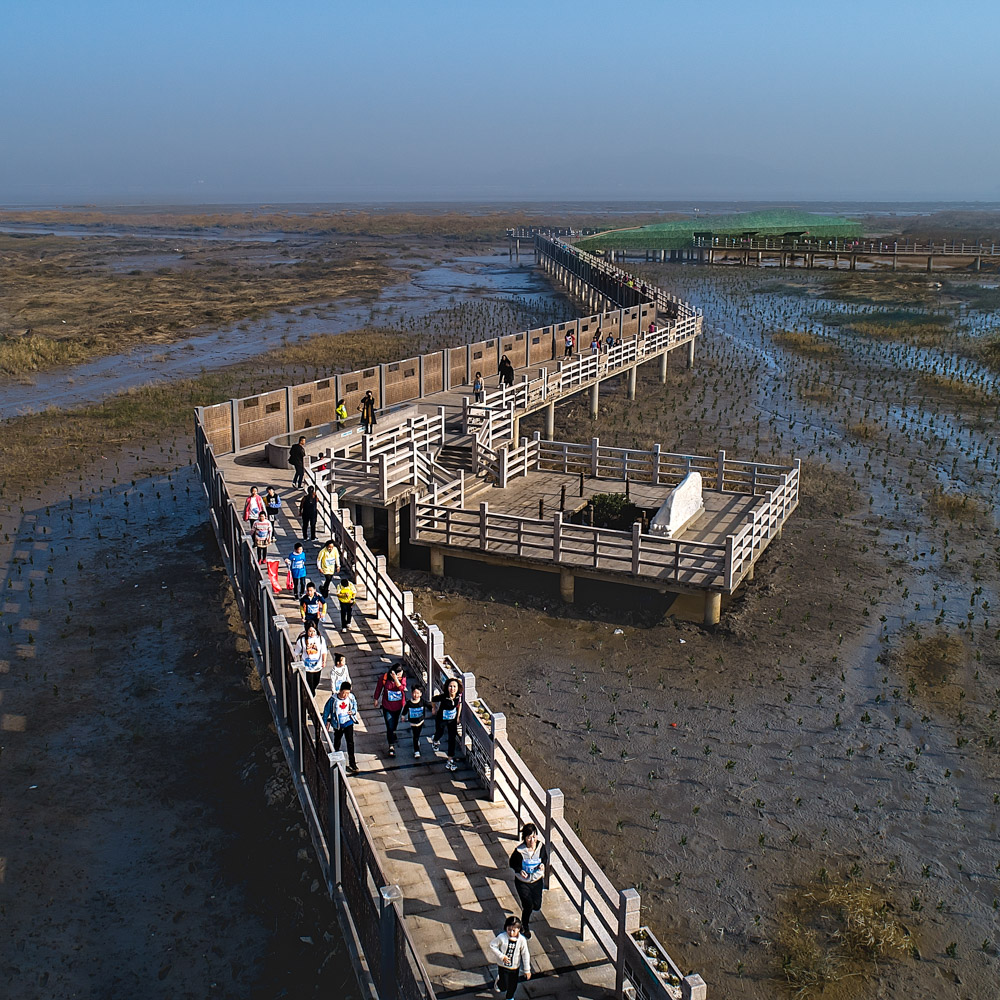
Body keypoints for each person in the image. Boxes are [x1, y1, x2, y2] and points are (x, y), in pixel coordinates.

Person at [509, 823, 548, 939]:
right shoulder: (519, 851)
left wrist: (542, 864)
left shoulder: (541, 847)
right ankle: (524, 926)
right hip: (523, 883)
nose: (532, 840)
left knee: (537, 906)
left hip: (537, 881)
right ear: (525, 838)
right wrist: (520, 870)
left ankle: (529, 907)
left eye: (534, 836)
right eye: (529, 837)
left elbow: (544, 858)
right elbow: (512, 863)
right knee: (528, 905)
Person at [489, 916, 531, 999]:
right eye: (509, 929)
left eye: (514, 930)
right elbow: (492, 945)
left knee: (513, 985)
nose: (511, 933)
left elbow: (525, 954)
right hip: (503, 966)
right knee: (503, 986)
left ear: (519, 929)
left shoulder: (522, 940)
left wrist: (527, 970)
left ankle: (510, 997)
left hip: (515, 967)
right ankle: (500, 982)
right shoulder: (502, 937)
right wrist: (501, 956)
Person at [323, 681, 360, 773]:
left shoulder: (351, 697)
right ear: (340, 691)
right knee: (337, 741)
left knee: (350, 742)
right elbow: (326, 711)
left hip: (348, 722)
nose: (345, 695)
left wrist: (353, 711)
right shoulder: (333, 699)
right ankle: (335, 758)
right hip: (338, 724)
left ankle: (352, 763)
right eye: (344, 693)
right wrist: (324, 723)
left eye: (347, 693)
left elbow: (355, 705)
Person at [373, 664, 407, 758]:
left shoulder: (402, 678)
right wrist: (376, 699)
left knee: (395, 722)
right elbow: (379, 688)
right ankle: (391, 746)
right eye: (398, 674)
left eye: (401, 674)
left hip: (398, 705)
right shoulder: (384, 678)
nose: (400, 676)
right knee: (389, 725)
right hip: (387, 705)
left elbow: (401, 688)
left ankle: (393, 732)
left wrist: (396, 679)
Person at [432, 676, 463, 772]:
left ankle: (450, 760)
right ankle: (435, 740)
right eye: (450, 686)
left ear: (457, 688)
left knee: (452, 739)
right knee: (439, 733)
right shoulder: (444, 696)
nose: (452, 689)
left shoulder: (458, 696)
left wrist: (458, 717)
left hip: (452, 720)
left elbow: (460, 705)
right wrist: (434, 708)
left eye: (454, 686)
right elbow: (433, 699)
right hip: (441, 719)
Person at [294, 622, 327, 695]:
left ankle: (311, 692)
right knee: (310, 684)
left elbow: (324, 651)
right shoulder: (302, 640)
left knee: (316, 682)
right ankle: (311, 696)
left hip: (317, 665)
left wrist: (324, 661)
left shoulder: (320, 639)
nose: (312, 633)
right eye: (310, 631)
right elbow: (296, 652)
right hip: (307, 667)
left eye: (314, 631)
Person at [404, 684, 428, 758]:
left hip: (420, 721)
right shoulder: (409, 703)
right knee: (415, 736)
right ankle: (416, 751)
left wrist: (434, 709)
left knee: (418, 734)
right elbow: (405, 710)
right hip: (413, 722)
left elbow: (429, 705)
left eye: (418, 693)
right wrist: (403, 716)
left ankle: (417, 741)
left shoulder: (422, 701)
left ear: (421, 694)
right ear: (411, 693)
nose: (416, 695)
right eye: (414, 693)